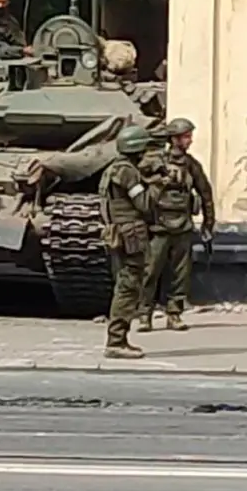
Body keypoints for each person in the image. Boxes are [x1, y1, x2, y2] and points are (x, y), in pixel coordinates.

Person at [137, 118, 215, 332]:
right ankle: (145, 314)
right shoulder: (154, 160)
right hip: (158, 226)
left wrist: (208, 224)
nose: (189, 141)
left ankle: (174, 313)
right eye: (185, 136)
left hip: (182, 225)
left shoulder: (191, 164)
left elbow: (205, 193)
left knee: (180, 273)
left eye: (190, 136)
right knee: (150, 272)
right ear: (174, 138)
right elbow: (139, 181)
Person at [100, 125, 157, 359]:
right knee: (128, 286)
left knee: (125, 284)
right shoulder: (128, 173)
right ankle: (116, 341)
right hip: (130, 234)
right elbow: (143, 204)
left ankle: (117, 338)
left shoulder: (111, 169)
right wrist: (155, 185)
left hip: (119, 232)